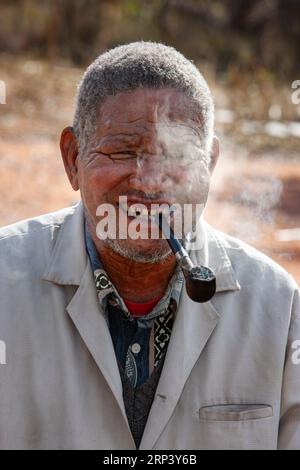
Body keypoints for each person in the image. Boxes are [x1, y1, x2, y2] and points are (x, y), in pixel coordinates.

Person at [0, 42, 299, 450]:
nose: (151, 182)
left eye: (177, 155)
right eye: (124, 151)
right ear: (73, 158)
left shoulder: (279, 308)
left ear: (210, 163)